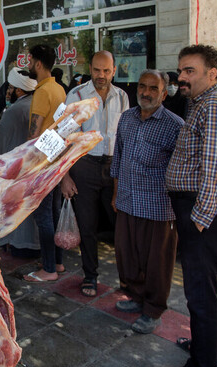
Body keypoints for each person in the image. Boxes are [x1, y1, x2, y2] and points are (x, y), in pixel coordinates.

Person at [162, 44, 217, 367]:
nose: (181, 77)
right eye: (181, 70)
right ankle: (213, 351)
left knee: (199, 292)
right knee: (206, 289)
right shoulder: (202, 103)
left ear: (213, 74)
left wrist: (200, 218)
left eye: (190, 71)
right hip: (200, 210)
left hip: (204, 212)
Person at [110, 69, 183, 334]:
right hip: (128, 201)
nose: (146, 92)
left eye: (154, 88)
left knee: (157, 263)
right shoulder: (127, 118)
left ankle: (153, 310)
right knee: (128, 256)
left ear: (164, 94)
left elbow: (182, 170)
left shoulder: (175, 125)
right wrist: (116, 194)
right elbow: (117, 158)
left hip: (158, 207)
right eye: (142, 86)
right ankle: (137, 297)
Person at [61, 51, 130, 296]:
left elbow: (124, 139)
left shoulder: (122, 97)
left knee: (121, 225)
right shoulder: (76, 95)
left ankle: (128, 279)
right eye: (97, 70)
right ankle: (90, 275)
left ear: (113, 71)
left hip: (113, 168)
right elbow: (64, 139)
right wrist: (65, 177)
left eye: (107, 71)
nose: (101, 76)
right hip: (84, 167)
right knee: (87, 226)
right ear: (90, 68)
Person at [23, 44, 66, 282]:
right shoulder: (59, 89)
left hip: (42, 163)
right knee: (54, 213)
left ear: (38, 64)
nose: (28, 65)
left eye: (30, 60)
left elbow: (33, 134)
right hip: (57, 160)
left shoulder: (41, 92)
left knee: (44, 217)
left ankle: (48, 269)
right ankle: (56, 262)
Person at [0, 68, 39, 253]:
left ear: (19, 90)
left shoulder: (14, 111)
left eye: (11, 88)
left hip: (16, 169)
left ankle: (20, 246)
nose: (8, 92)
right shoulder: (37, 104)